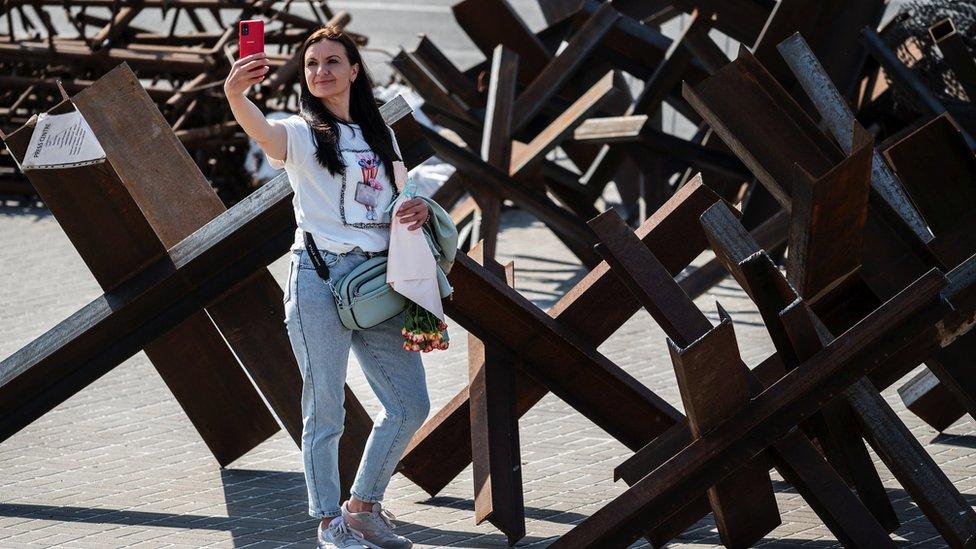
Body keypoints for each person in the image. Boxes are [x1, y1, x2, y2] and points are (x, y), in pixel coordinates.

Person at [223, 24, 431, 549]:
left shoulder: (378, 133)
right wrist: (235, 93)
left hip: (377, 283)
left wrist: (417, 206)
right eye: (312, 63)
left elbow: (401, 194)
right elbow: (261, 131)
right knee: (325, 407)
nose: (320, 71)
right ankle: (328, 521)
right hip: (318, 281)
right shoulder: (299, 133)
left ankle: (362, 506)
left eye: (332, 61)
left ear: (354, 70)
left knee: (409, 404)